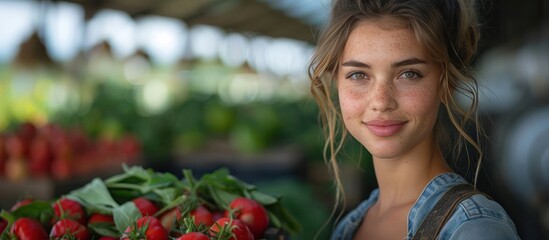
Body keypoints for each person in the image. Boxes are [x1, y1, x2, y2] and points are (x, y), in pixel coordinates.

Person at [308, 0, 520, 239]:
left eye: (409, 74)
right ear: (336, 81)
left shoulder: (472, 229)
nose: (381, 101)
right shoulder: (348, 227)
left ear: (447, 83)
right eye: (358, 74)